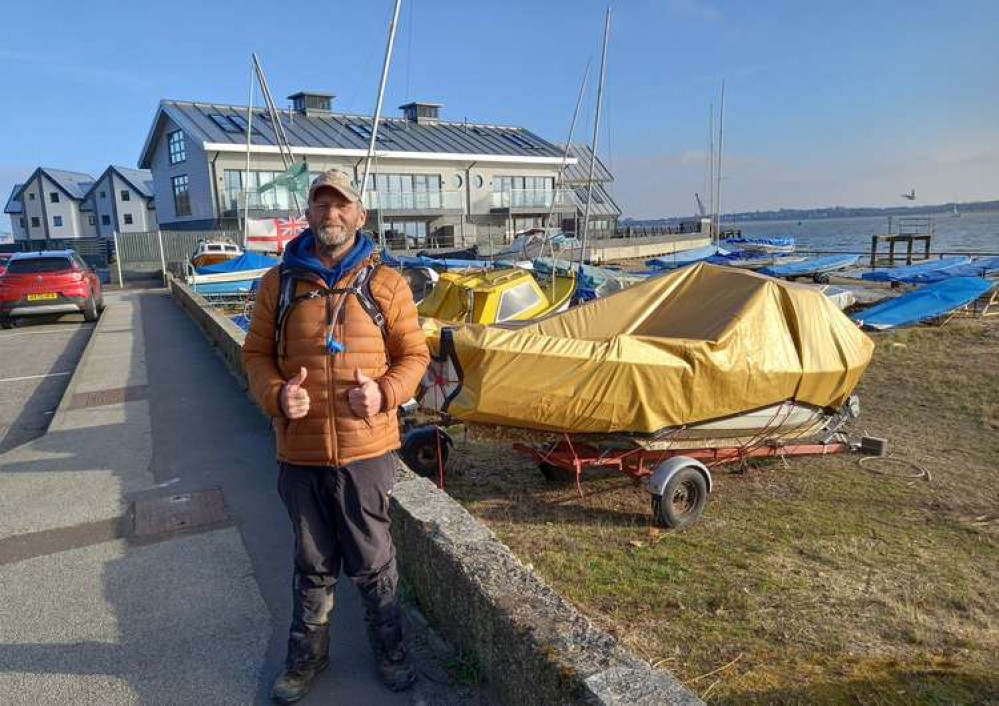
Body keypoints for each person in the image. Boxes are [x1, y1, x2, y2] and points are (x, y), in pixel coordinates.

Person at [242, 169, 430, 703]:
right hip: (298, 454)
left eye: (341, 205)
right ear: (307, 214)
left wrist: (386, 394)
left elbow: (415, 356)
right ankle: (306, 659)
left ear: (359, 215)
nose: (331, 214)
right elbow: (254, 355)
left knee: (374, 562)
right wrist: (277, 395)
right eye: (321, 205)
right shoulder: (277, 285)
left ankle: (391, 652)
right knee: (312, 562)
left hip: (367, 450)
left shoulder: (386, 284)